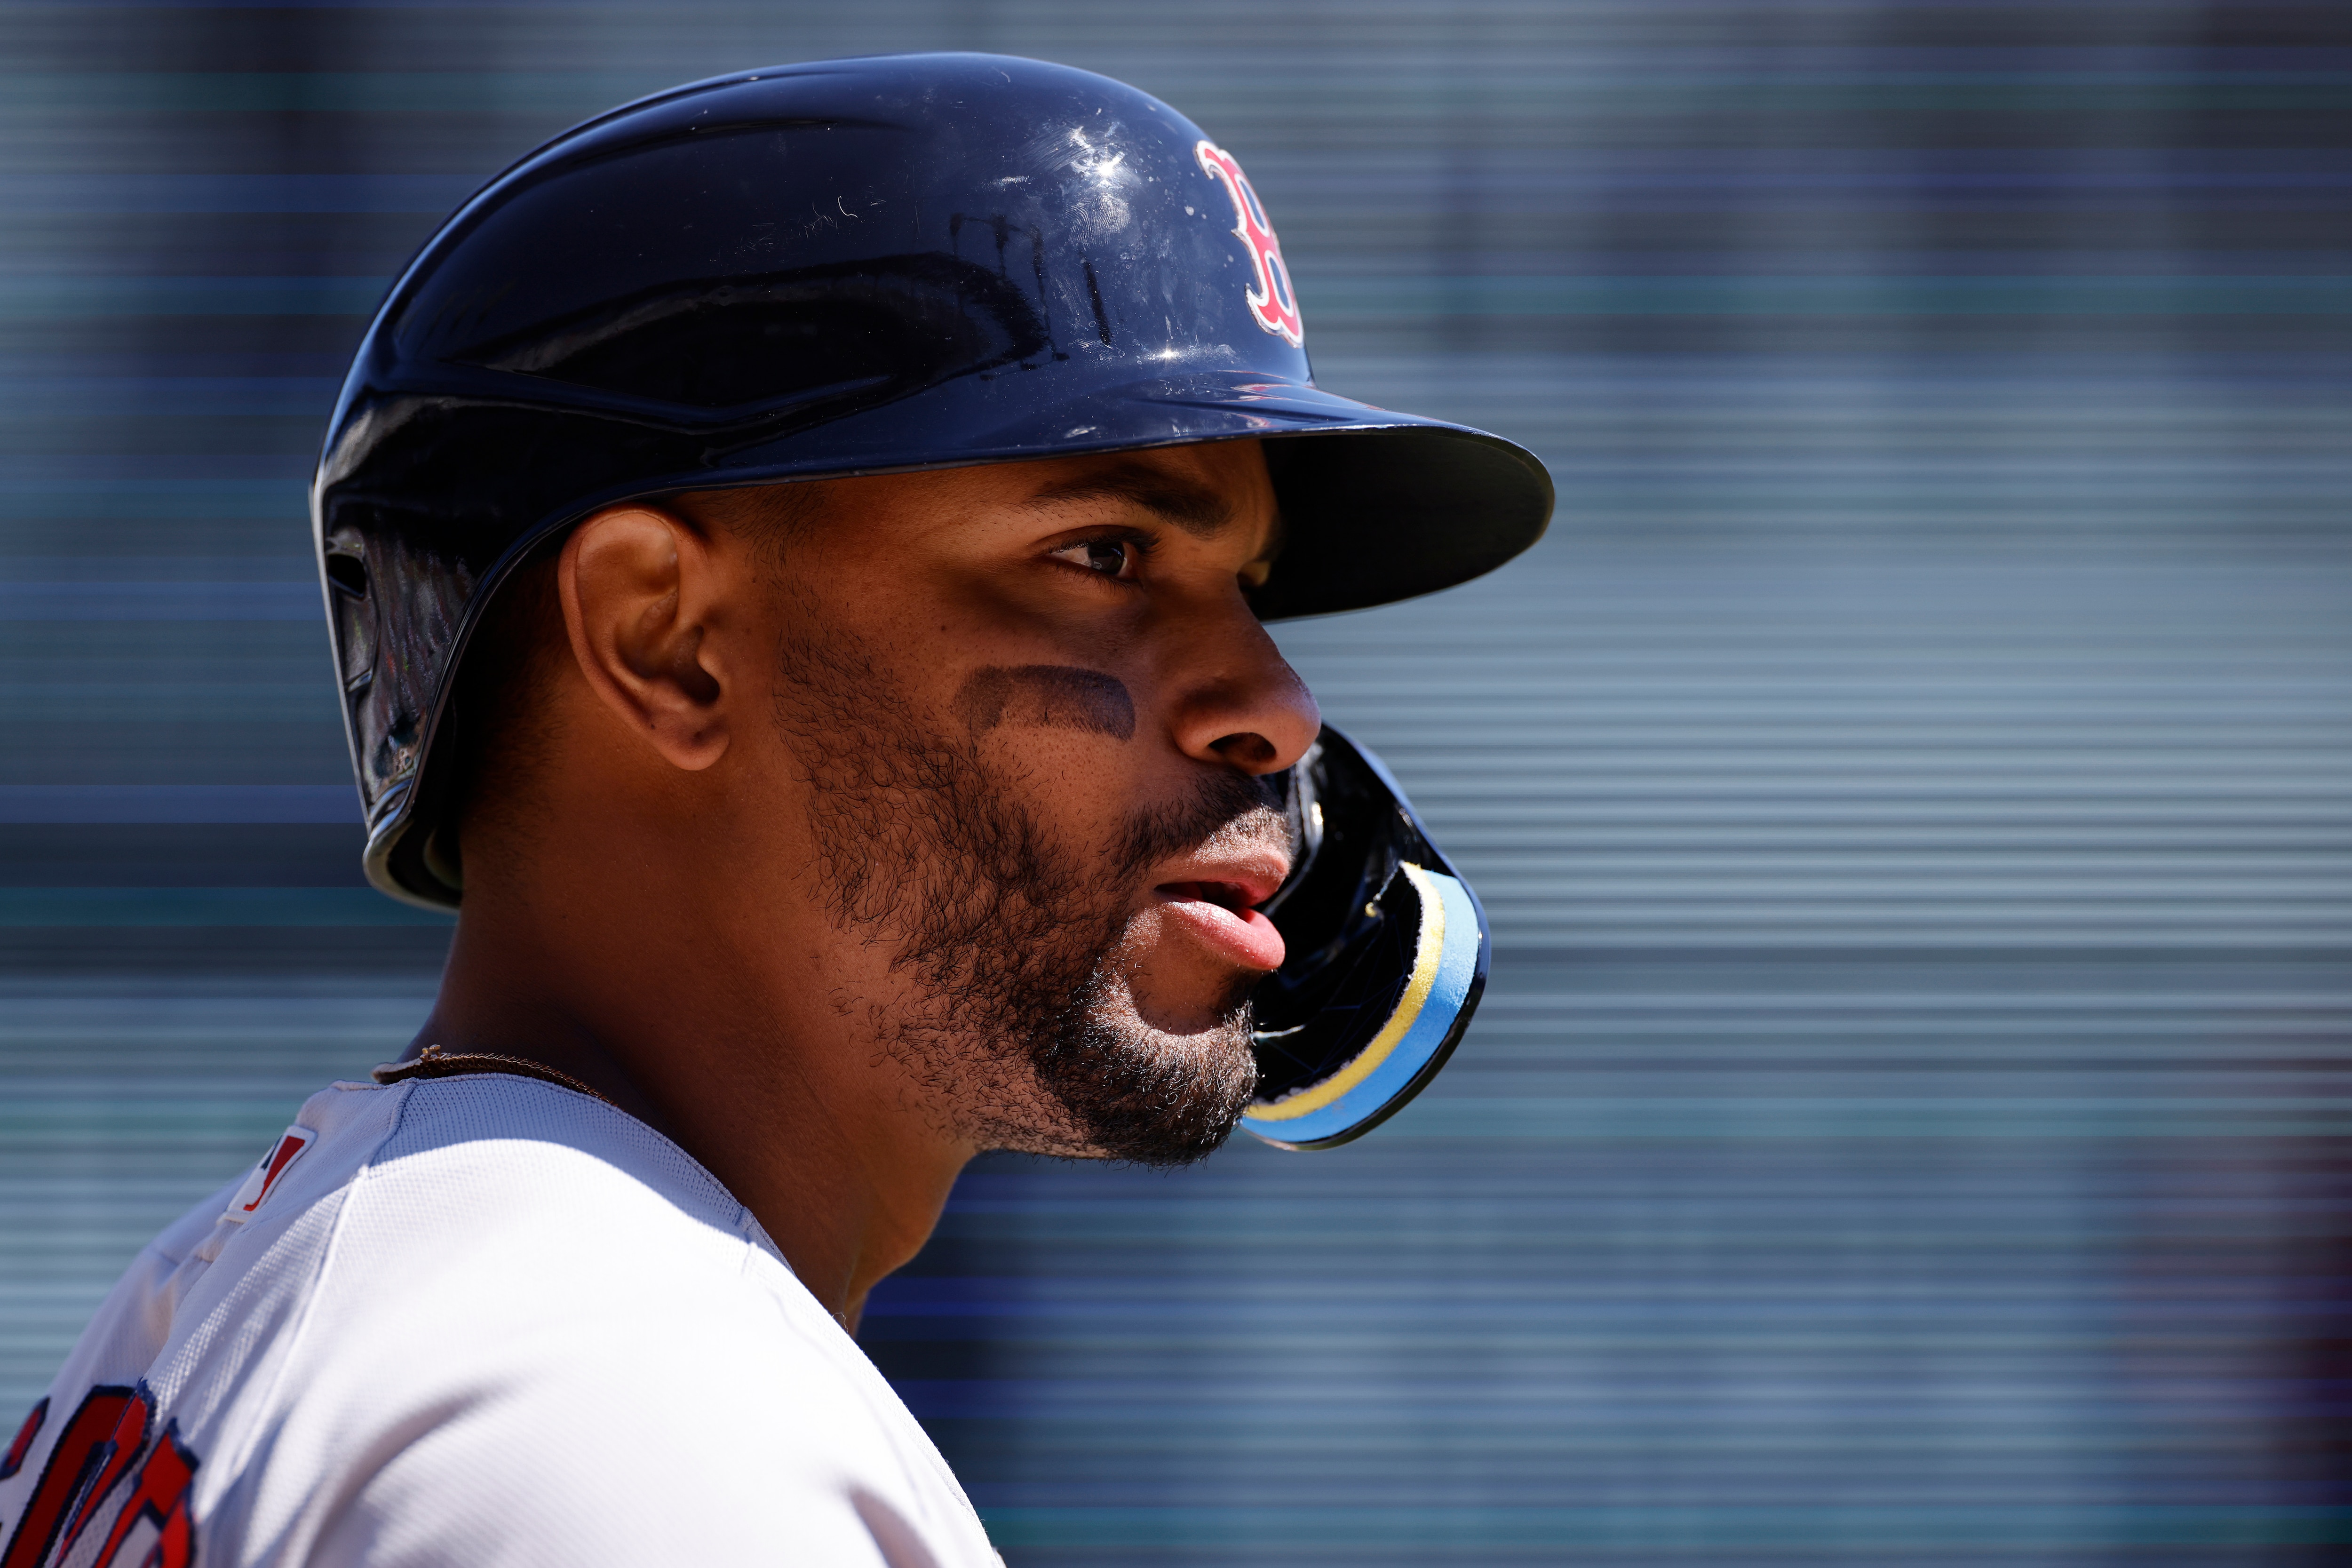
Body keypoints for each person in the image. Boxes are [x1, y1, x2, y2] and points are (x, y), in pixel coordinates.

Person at [0, 54, 1549, 1567]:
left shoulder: (274, 1298)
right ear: (663, 638)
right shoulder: (622, 1429)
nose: (1278, 705)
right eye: (1107, 554)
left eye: (1250, 589)